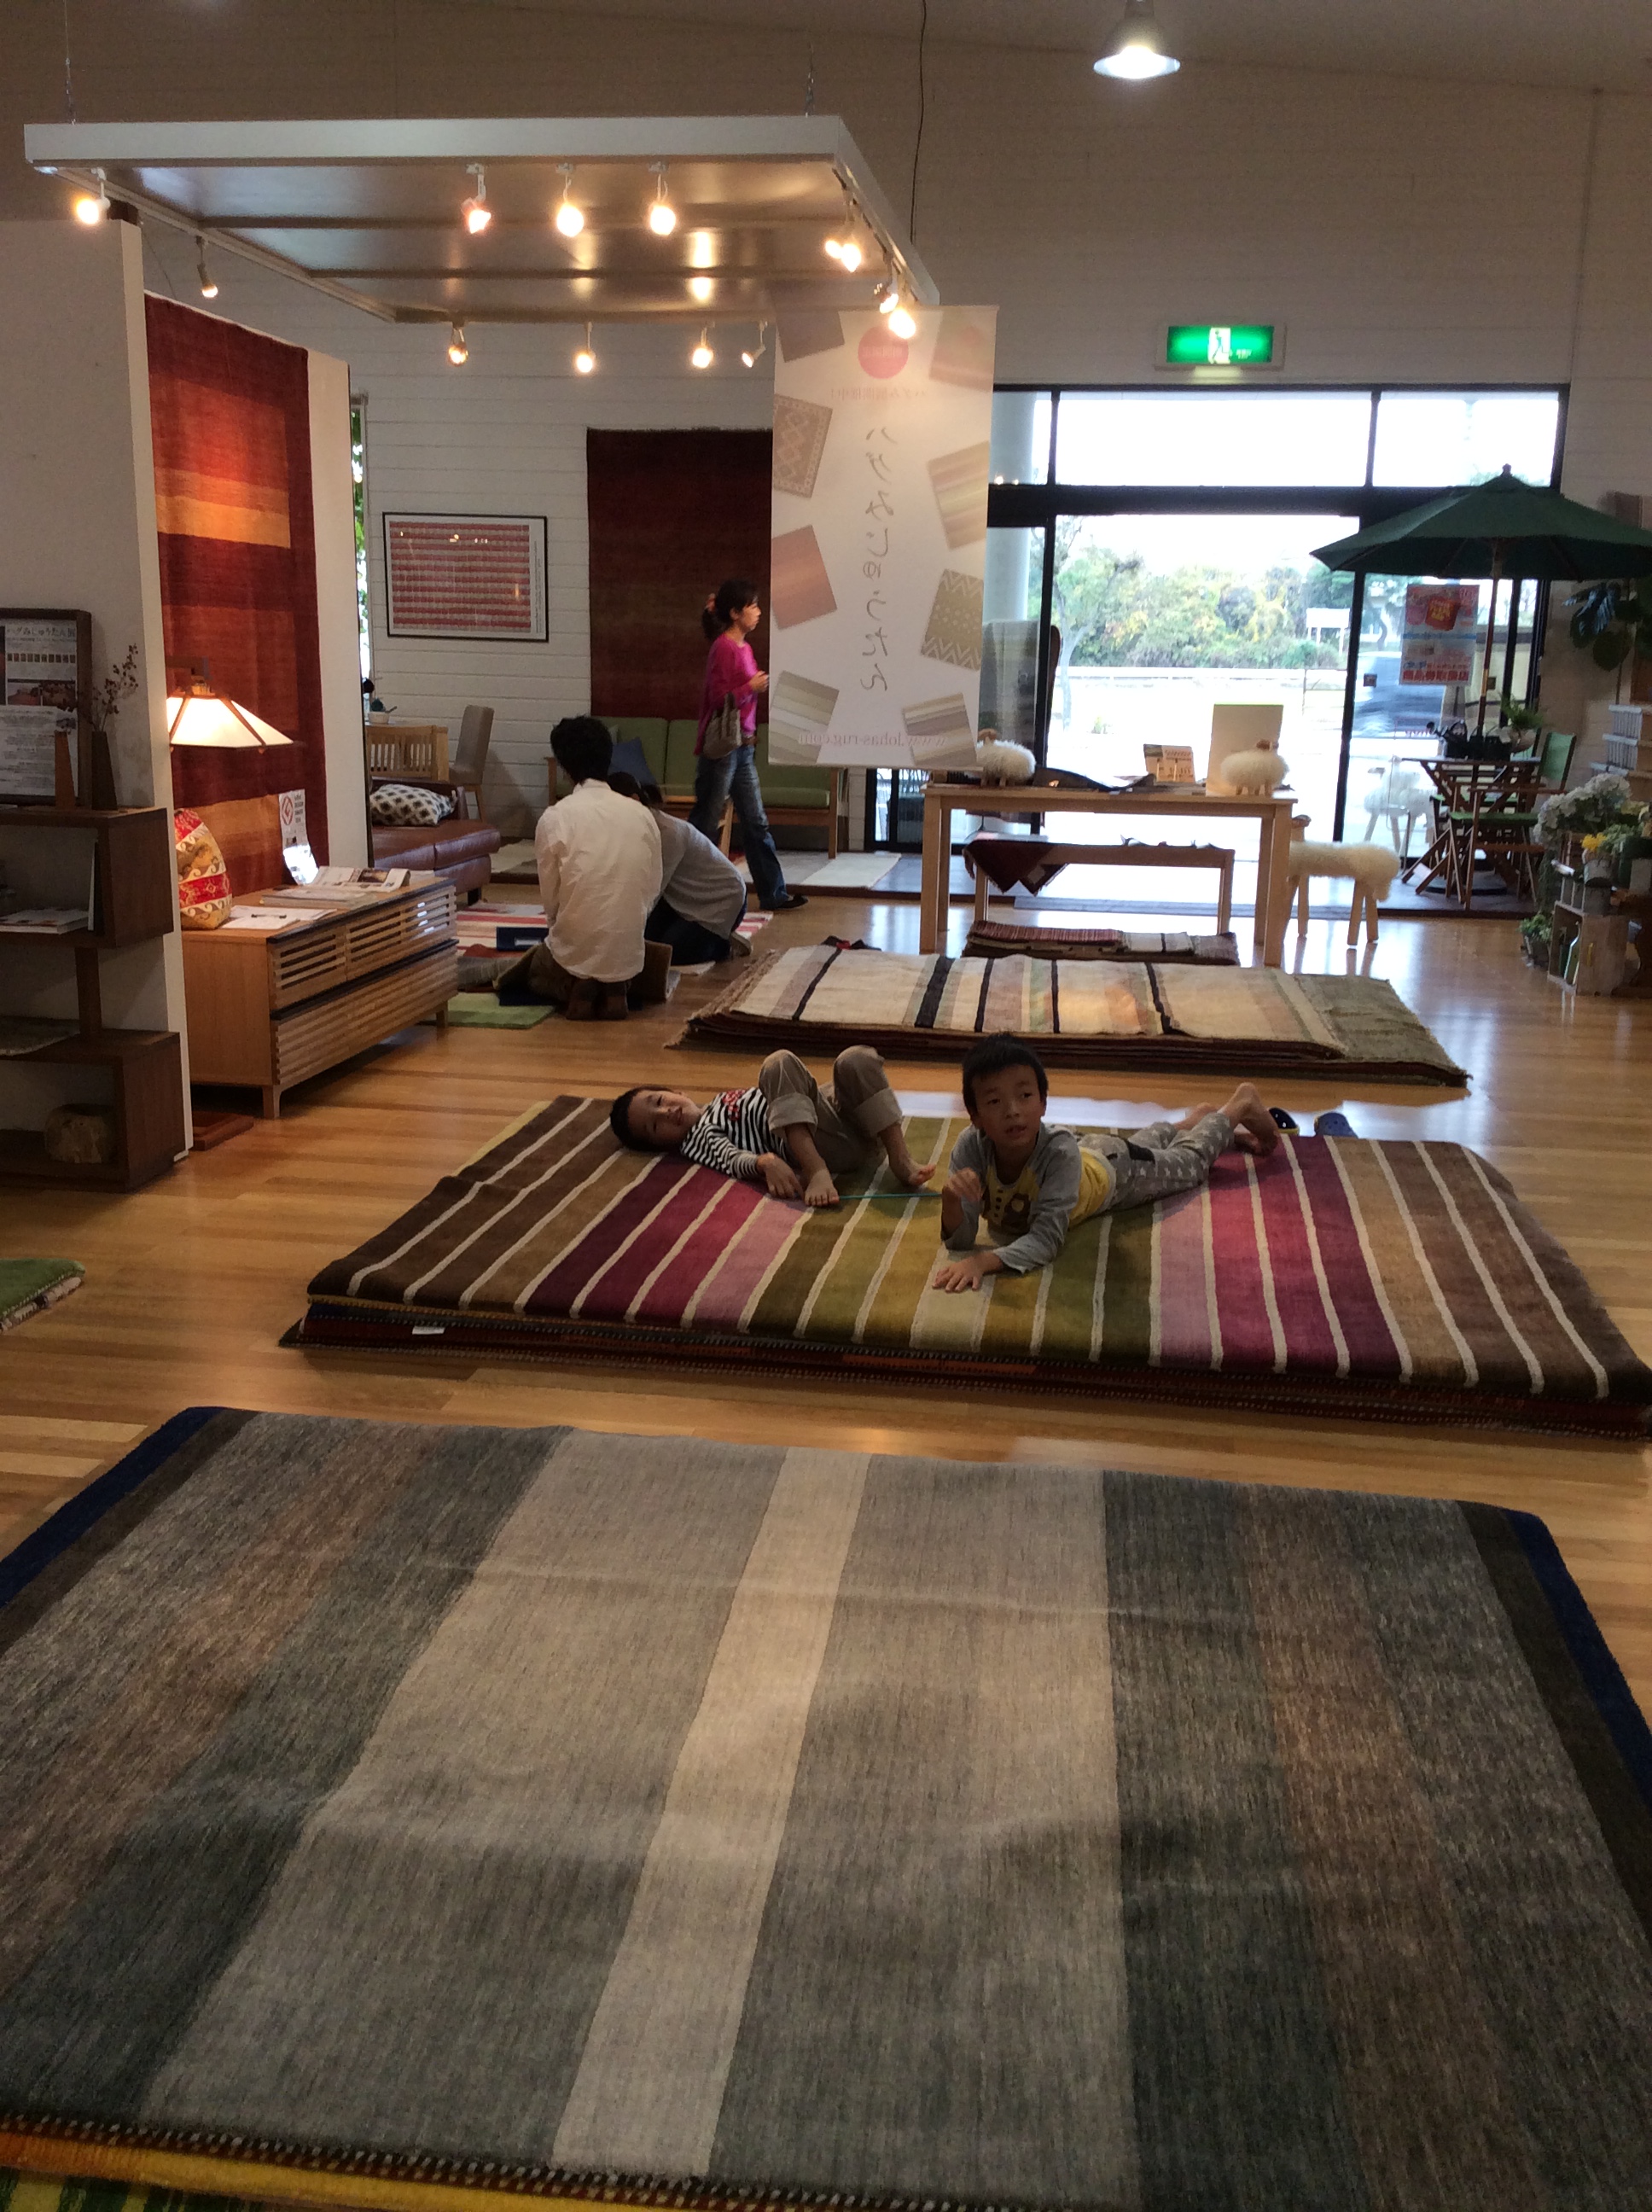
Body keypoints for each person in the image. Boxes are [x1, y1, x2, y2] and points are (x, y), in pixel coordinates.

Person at [934, 1035, 1282, 1294]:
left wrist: (985, 1261)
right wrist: (951, 1198)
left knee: (1190, 1165)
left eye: (1025, 1096)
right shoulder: (970, 1147)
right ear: (975, 1116)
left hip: (1116, 1172)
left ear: (1043, 1103)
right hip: (1090, 1150)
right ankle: (1194, 1121)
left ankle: (1239, 1105)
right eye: (995, 1101)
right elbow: (960, 1241)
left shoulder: (1058, 1153)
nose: (1013, 1111)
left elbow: (1046, 1239)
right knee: (1142, 1145)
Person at [611, 1047, 934, 1208]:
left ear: (675, 1091)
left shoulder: (718, 1102)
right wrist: (764, 1162)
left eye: (659, 1100)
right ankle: (816, 1170)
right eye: (656, 1126)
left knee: (855, 1060)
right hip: (824, 1146)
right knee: (778, 1063)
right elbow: (730, 1158)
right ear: (662, 1145)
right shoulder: (699, 1137)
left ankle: (899, 1156)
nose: (666, 1112)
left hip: (854, 1126)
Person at [527, 717, 663, 1020]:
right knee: (613, 954)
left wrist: (563, 933)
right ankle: (615, 987)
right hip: (628, 950)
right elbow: (652, 887)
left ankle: (578, 984)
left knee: (536, 971)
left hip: (574, 948)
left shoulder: (555, 817)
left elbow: (551, 901)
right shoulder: (642, 814)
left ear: (565, 768)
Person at [689, 579, 807, 914]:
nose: (758, 612)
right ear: (735, 613)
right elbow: (718, 699)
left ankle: (773, 893)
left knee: (756, 822)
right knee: (706, 822)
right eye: (752, 606)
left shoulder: (743, 647)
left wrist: (751, 688)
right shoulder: (724, 648)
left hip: (744, 747)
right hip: (725, 748)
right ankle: (691, 891)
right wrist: (749, 688)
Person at [609, 771, 748, 964]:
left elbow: (652, 890)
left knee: (664, 954)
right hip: (681, 900)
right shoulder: (630, 830)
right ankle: (708, 936)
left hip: (722, 899)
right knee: (642, 945)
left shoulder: (668, 833)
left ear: (634, 801)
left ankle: (721, 944)